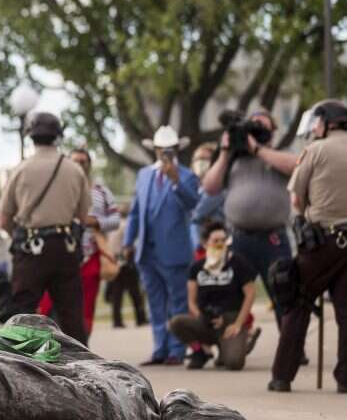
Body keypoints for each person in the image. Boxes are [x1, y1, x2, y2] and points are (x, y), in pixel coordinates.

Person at [270, 100, 347, 394]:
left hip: (320, 242)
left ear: (325, 122)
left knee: (298, 300)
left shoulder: (315, 150)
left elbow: (296, 198)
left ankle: (282, 376)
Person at [0, 112, 91, 344]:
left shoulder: (20, 170)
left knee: (21, 315)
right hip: (65, 247)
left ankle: (18, 365)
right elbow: (82, 216)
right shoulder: (74, 170)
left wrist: (19, 236)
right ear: (58, 137)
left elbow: (3, 220)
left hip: (30, 250)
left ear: (31, 137)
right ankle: (82, 365)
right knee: (71, 315)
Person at [202, 110, 295, 328]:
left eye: (261, 127)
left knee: (284, 293)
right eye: (252, 126)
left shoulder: (279, 155)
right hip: (239, 238)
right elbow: (209, 186)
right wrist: (225, 151)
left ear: (272, 132)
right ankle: (232, 345)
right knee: (231, 295)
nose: (255, 131)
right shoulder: (233, 160)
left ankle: (291, 349)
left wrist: (257, 149)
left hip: (274, 239)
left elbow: (296, 165)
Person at [123, 126, 200, 365]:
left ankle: (177, 349)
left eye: (169, 149)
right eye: (161, 149)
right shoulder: (144, 175)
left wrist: (175, 180)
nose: (165, 153)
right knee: (155, 303)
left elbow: (193, 204)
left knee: (177, 302)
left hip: (174, 251)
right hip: (147, 251)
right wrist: (128, 241)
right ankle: (159, 348)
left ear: (176, 149)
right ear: (155, 149)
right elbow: (135, 212)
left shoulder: (187, 175)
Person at [42, 148, 119, 339]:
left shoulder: (101, 191)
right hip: (61, 254)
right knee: (48, 304)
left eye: (83, 161)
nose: (79, 165)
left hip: (89, 255)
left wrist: (96, 222)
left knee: (86, 306)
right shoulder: (57, 189)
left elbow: (116, 220)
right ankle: (48, 345)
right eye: (75, 161)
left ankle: (82, 347)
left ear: (89, 164)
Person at [170, 222, 257, 371]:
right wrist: (202, 317)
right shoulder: (197, 267)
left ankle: (241, 341)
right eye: (215, 241)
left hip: (231, 320)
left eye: (223, 240)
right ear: (205, 244)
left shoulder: (237, 263)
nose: (220, 244)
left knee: (234, 363)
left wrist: (238, 323)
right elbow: (191, 301)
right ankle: (201, 352)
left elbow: (251, 293)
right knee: (176, 322)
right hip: (207, 320)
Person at [105, 203, 149, 328]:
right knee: (135, 293)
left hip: (114, 261)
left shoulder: (112, 227)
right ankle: (140, 318)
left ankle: (117, 320)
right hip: (126, 262)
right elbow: (130, 244)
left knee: (117, 294)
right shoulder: (126, 226)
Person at [190, 142, 224, 255]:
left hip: (214, 247)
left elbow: (197, 213)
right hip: (195, 249)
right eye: (197, 160)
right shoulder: (194, 187)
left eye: (205, 159)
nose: (200, 163)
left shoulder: (218, 186)